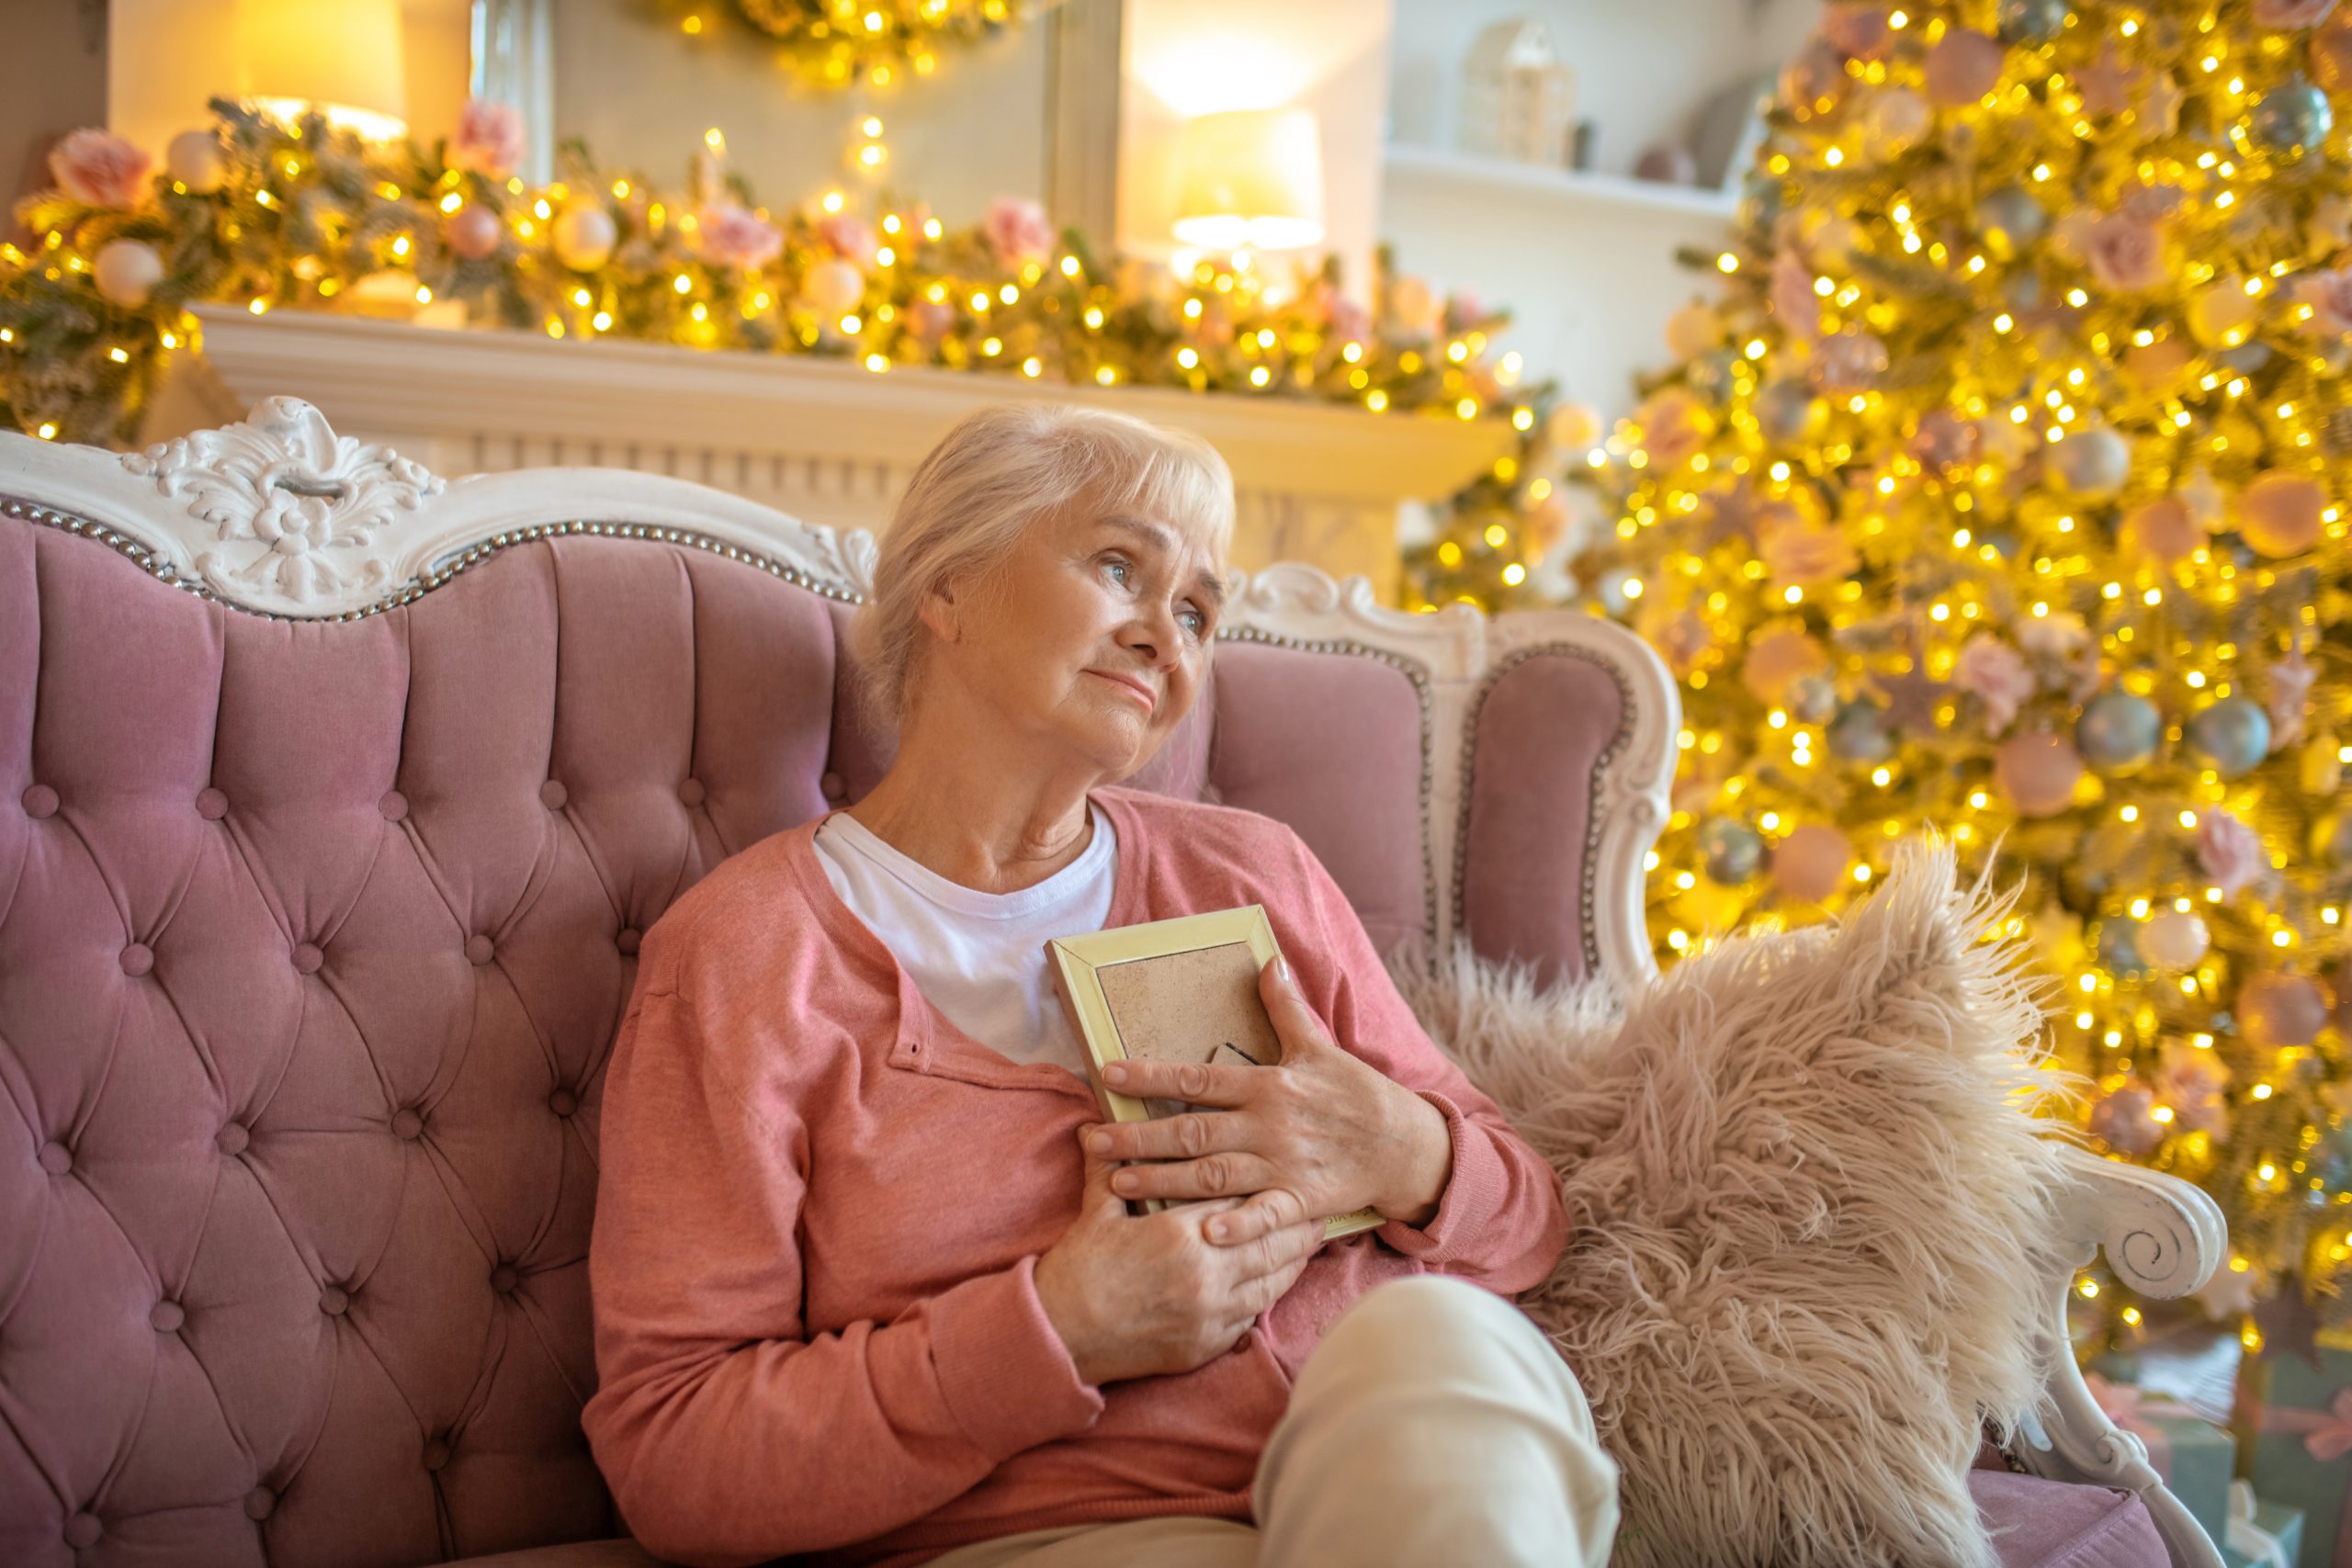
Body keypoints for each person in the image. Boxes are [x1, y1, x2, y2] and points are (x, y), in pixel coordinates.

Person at [581, 403, 1621, 1568]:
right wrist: (1059, 1329)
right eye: (1119, 567)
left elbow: (1529, 1227)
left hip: (1383, 1475)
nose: (1164, 638)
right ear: (947, 585)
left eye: (1195, 612)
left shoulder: (1252, 871)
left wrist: (1401, 1147)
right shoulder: (745, 957)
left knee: (1438, 1341)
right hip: (1059, 1536)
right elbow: (676, 1458)